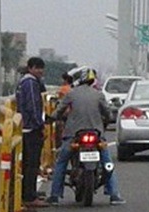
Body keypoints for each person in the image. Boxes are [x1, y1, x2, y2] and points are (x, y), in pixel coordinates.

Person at [46, 66, 123, 204]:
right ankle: (114, 194)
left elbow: (59, 111)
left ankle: (54, 195)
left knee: (61, 162)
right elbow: (108, 113)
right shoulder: (99, 94)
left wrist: (51, 118)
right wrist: (106, 119)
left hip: (73, 134)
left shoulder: (71, 93)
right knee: (107, 163)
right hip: (96, 134)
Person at [15, 56, 47, 202]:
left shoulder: (23, 82)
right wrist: (39, 124)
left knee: (27, 163)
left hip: (24, 127)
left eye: (41, 68)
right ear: (31, 68)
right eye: (38, 68)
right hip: (31, 128)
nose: (41, 71)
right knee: (32, 164)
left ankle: (26, 193)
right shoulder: (30, 83)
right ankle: (30, 196)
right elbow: (33, 106)